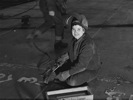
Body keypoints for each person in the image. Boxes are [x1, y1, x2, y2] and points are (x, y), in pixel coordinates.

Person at [44, 13, 101, 86]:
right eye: (73, 29)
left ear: (83, 30)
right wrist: (62, 59)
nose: (75, 32)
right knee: (57, 71)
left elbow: (82, 66)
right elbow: (70, 52)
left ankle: (78, 78)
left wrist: (66, 74)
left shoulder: (87, 44)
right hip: (77, 63)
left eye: (78, 29)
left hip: (89, 69)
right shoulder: (74, 39)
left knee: (71, 81)